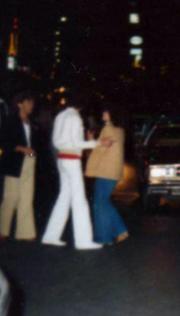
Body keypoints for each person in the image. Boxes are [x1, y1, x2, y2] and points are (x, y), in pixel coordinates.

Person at [42, 91, 109, 249]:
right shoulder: (75, 117)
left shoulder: (60, 116)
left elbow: (56, 141)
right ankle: (83, 241)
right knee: (79, 200)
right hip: (72, 160)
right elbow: (77, 143)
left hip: (61, 158)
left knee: (64, 197)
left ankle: (51, 236)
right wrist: (97, 143)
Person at [0, 91, 39, 241]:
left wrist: (33, 153)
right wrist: (22, 149)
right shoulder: (10, 121)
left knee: (27, 196)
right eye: (29, 102)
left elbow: (36, 143)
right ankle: (3, 230)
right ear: (21, 104)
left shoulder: (31, 122)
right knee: (10, 196)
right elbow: (4, 142)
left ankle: (25, 233)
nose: (32, 105)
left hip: (29, 161)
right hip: (14, 162)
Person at [84, 106, 128, 245]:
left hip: (106, 171)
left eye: (106, 111)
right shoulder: (120, 130)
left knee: (99, 203)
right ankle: (119, 231)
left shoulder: (108, 129)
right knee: (103, 201)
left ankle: (105, 237)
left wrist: (90, 141)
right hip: (113, 172)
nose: (103, 113)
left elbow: (100, 151)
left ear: (112, 114)